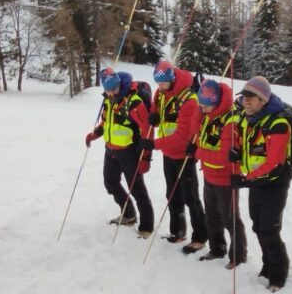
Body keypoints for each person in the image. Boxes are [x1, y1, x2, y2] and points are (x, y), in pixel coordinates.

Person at [229, 76, 292, 292]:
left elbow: (274, 162)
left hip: (274, 183)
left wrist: (246, 179)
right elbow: (246, 143)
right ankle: (267, 264)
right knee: (258, 225)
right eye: (244, 97)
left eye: (252, 97)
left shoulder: (278, 123)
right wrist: (236, 151)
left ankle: (279, 273)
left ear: (263, 99)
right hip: (256, 181)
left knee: (269, 229)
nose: (246, 101)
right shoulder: (248, 119)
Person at [139, 60, 208, 254]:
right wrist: (154, 115)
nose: (159, 88)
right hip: (168, 153)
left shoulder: (189, 100)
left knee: (190, 196)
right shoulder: (161, 93)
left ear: (172, 79)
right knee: (172, 193)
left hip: (184, 153)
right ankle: (177, 231)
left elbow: (182, 136)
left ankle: (200, 236)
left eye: (163, 84)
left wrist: (154, 144)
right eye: (157, 84)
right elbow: (156, 106)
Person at [85, 68, 154, 238]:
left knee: (137, 190)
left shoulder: (134, 102)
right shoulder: (109, 101)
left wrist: (145, 157)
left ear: (119, 84)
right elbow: (106, 122)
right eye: (107, 90)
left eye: (114, 89)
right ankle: (129, 214)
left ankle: (147, 226)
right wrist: (94, 134)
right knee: (110, 183)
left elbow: (147, 129)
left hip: (130, 152)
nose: (111, 93)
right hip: (111, 151)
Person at [186, 79, 247, 269]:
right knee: (211, 216)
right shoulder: (208, 116)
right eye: (201, 105)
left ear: (217, 101)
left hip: (226, 177)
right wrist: (200, 108)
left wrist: (196, 152)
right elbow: (194, 129)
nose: (203, 109)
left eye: (206, 105)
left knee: (230, 218)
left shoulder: (230, 120)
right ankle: (217, 248)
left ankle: (239, 255)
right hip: (209, 175)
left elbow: (223, 156)